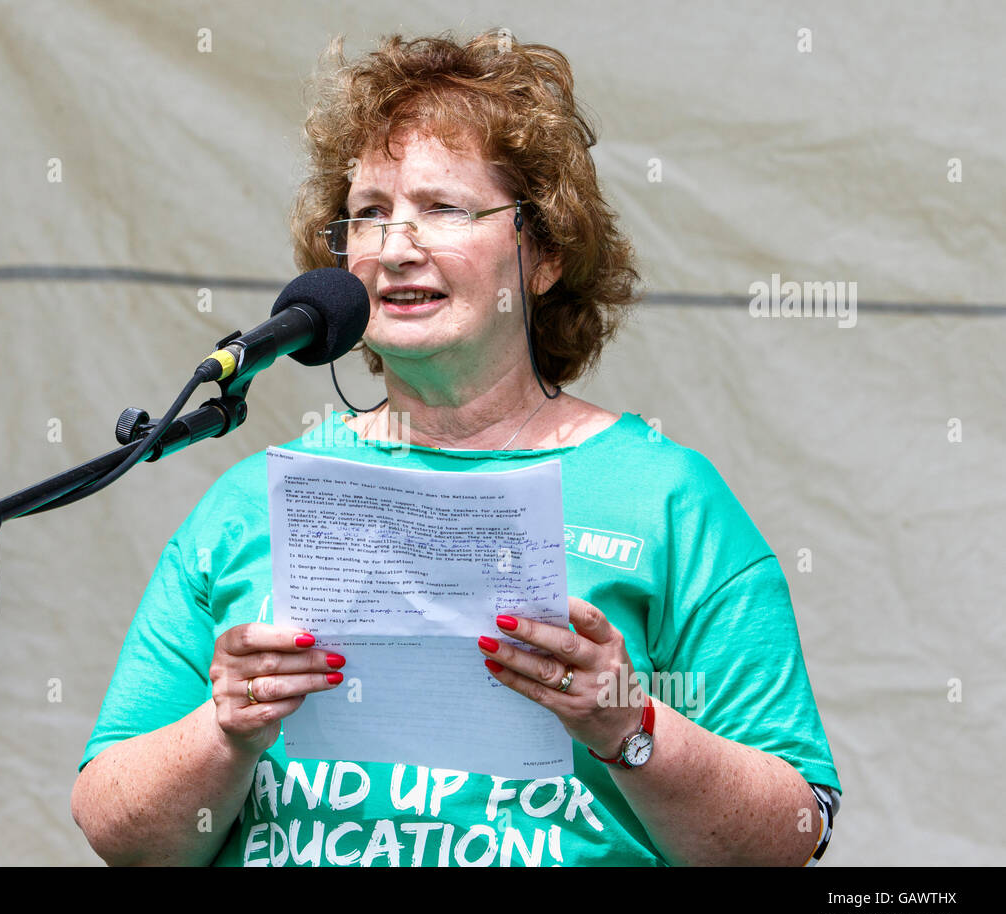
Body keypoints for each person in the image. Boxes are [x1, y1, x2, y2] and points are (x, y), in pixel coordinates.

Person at [71, 30, 840, 867]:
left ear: (541, 254)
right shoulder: (250, 501)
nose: (397, 246)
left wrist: (629, 725)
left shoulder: (664, 496)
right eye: (369, 214)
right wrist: (224, 728)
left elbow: (794, 834)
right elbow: (119, 831)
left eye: (443, 208)